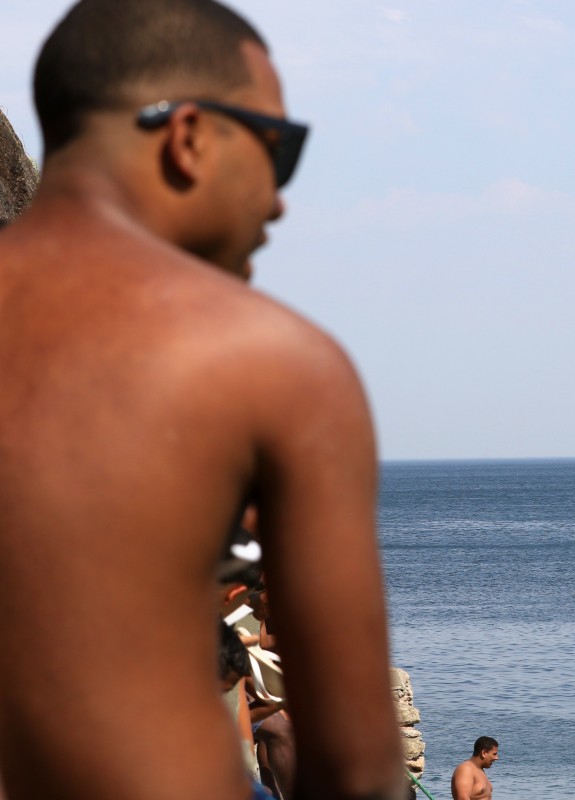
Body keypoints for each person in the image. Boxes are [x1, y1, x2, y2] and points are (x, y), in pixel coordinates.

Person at [0, 2, 409, 798]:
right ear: (188, 138)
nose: (281, 200)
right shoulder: (271, 365)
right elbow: (360, 772)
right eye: (278, 150)